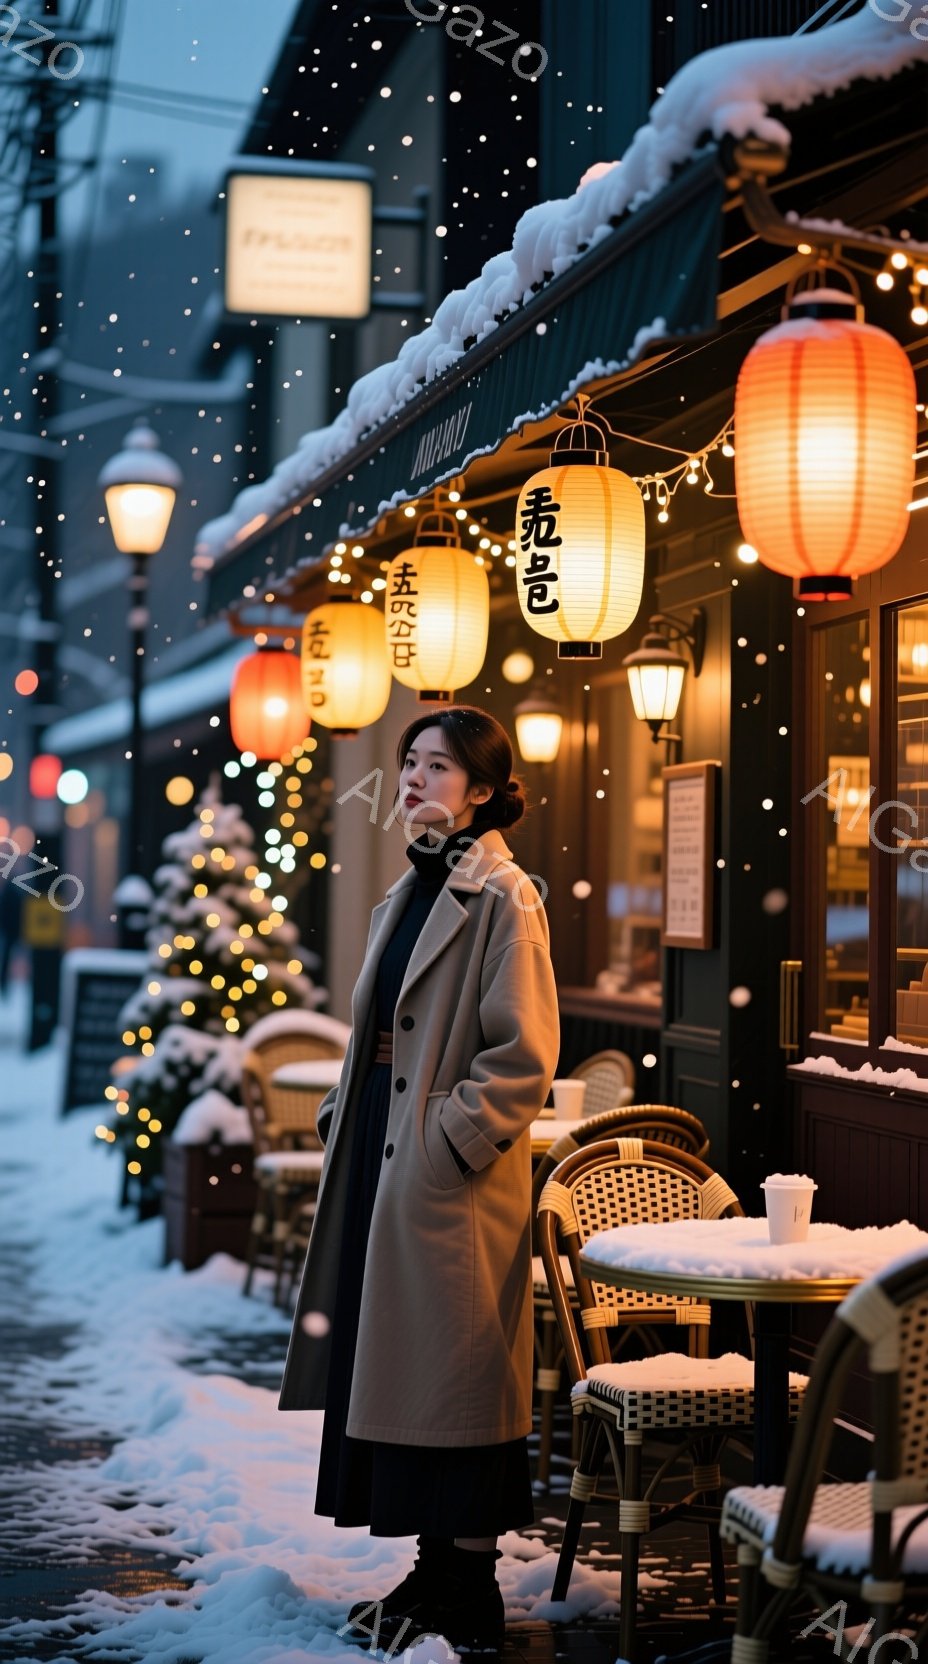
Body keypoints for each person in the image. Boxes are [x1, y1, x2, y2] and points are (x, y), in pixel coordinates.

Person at [279, 705, 560, 1653]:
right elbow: (380, 1040)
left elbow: (523, 1059)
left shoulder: (504, 896)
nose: (409, 780)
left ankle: (465, 1587)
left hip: (447, 1188)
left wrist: (447, 1141)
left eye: (434, 767)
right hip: (388, 1169)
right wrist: (348, 1118)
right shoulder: (410, 891)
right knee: (410, 1378)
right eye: (406, 764)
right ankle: (433, 1573)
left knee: (460, 1383)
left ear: (481, 791)